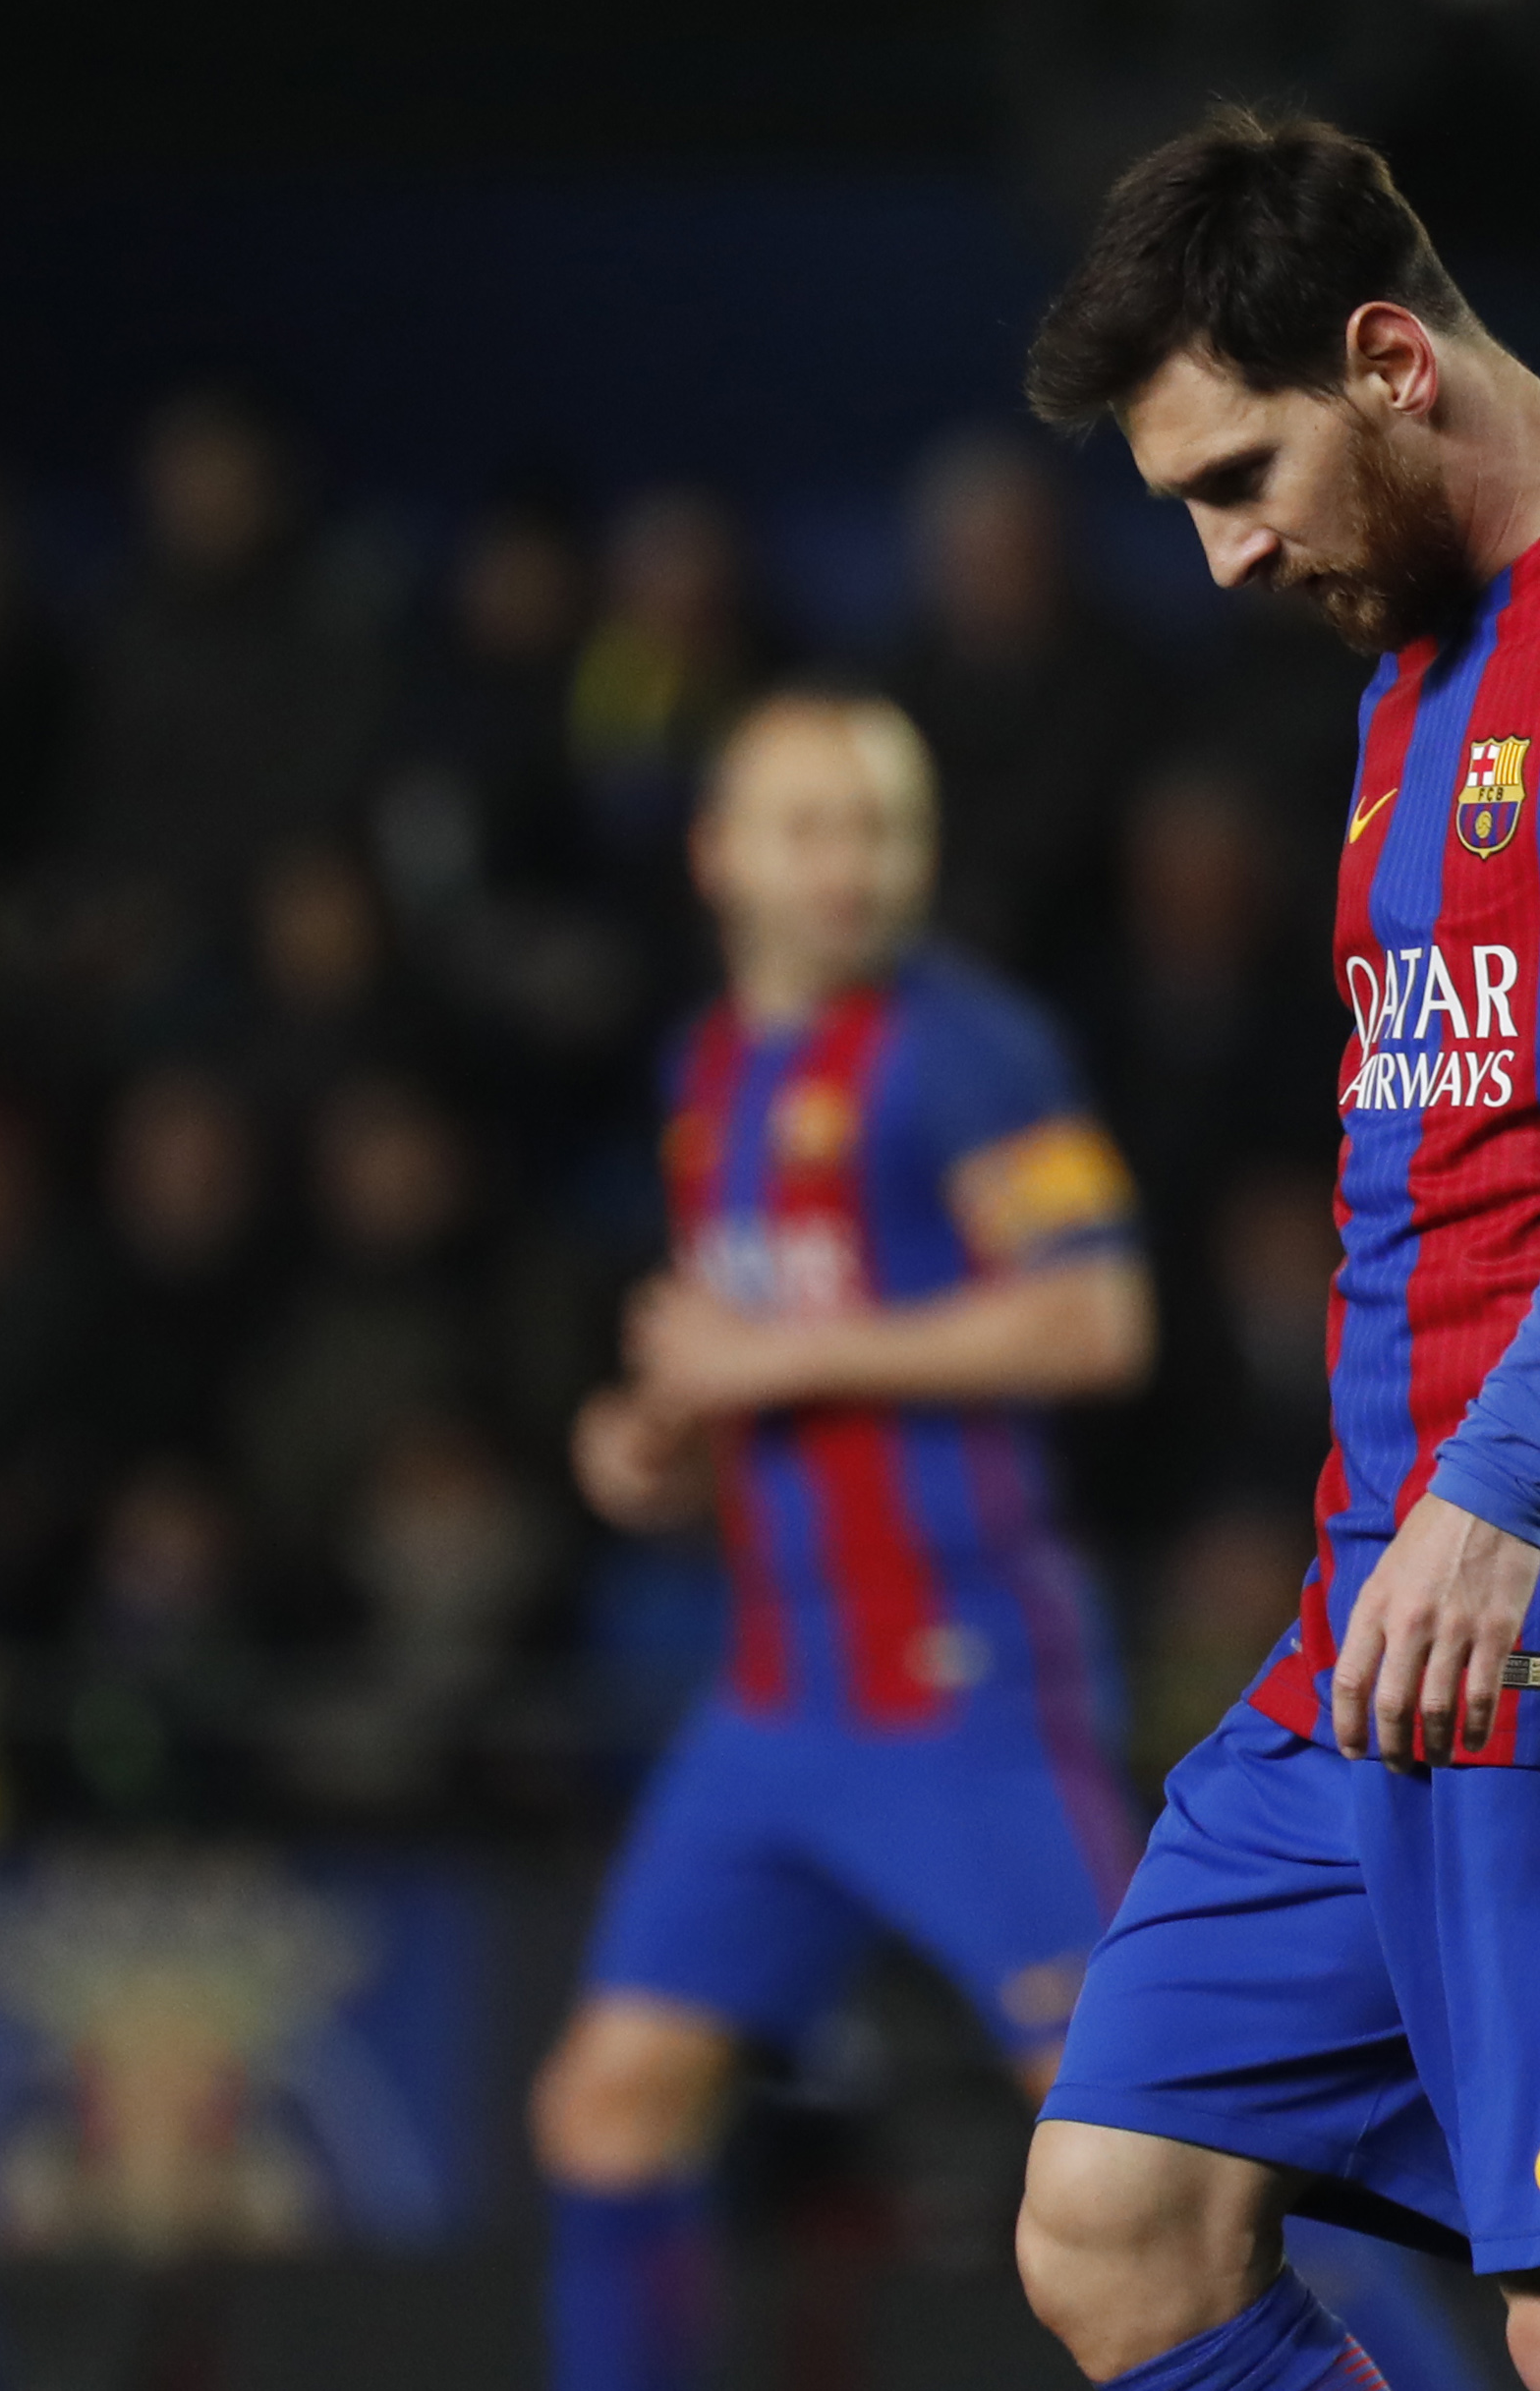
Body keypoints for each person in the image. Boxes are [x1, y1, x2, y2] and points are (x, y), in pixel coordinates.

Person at [1007, 109, 1540, 2391]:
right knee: (1114, 2223)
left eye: (1234, 478)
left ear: (1387, 358)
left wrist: (1493, 1501)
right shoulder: (1406, 662)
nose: (1217, 557)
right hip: (1372, 1632)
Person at [531, 688, 1161, 2391]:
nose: (851, 865)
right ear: (716, 855)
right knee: (606, 2113)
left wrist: (780, 1359)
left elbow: (1097, 1316)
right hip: (773, 1697)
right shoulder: (711, 1068)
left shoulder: (965, 1050)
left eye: (881, 826)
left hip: (959, 1687)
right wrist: (656, 1440)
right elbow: (747, 1351)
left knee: (1152, 2168)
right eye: (809, 825)